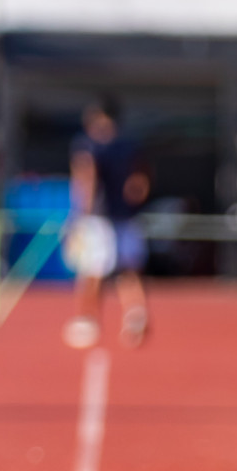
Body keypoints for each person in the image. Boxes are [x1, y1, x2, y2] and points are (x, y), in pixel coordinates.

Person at [63, 97, 149, 349]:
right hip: (125, 217)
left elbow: (86, 180)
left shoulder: (88, 146)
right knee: (128, 271)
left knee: (91, 271)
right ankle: (136, 317)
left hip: (97, 218)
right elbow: (140, 184)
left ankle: (87, 321)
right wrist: (131, 204)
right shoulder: (130, 146)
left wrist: (79, 215)